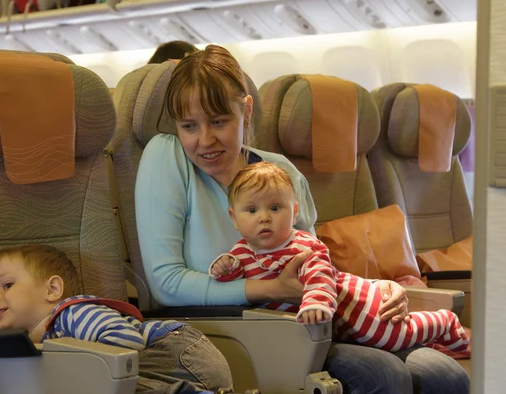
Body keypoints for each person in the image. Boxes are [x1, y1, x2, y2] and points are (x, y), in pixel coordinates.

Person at [134, 44, 470, 393]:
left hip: (308, 320)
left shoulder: (281, 172)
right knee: (383, 374)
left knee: (444, 374)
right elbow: (166, 283)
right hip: (225, 330)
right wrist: (271, 289)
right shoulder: (167, 156)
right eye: (189, 126)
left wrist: (379, 286)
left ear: (246, 111)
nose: (205, 140)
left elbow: (310, 259)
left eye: (219, 122)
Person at [210, 161, 469, 352]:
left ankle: (443, 321)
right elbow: (238, 277)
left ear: (295, 212)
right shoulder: (241, 251)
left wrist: (315, 303)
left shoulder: (303, 246)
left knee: (389, 338)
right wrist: (225, 268)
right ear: (234, 218)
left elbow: (320, 277)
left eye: (275, 208)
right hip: (331, 323)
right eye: (252, 210)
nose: (264, 217)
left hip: (357, 305)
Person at [0, 244, 238, 394]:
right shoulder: (42, 341)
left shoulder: (71, 314)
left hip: (175, 352)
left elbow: (126, 339)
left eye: (6, 285)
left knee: (111, 384)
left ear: (52, 290)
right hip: (174, 368)